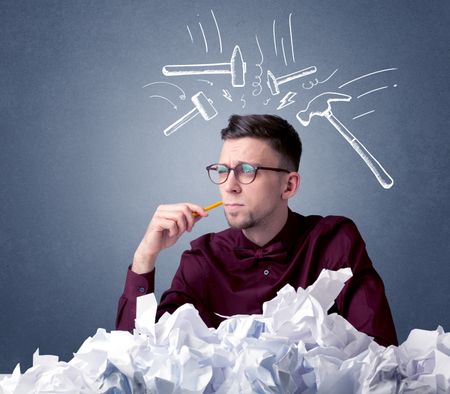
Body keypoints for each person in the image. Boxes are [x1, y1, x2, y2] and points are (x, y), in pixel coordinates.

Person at [116, 114, 398, 347]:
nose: (229, 185)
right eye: (223, 170)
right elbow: (136, 359)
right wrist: (145, 258)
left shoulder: (334, 241)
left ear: (288, 186)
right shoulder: (202, 259)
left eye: (246, 170)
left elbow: (381, 353)